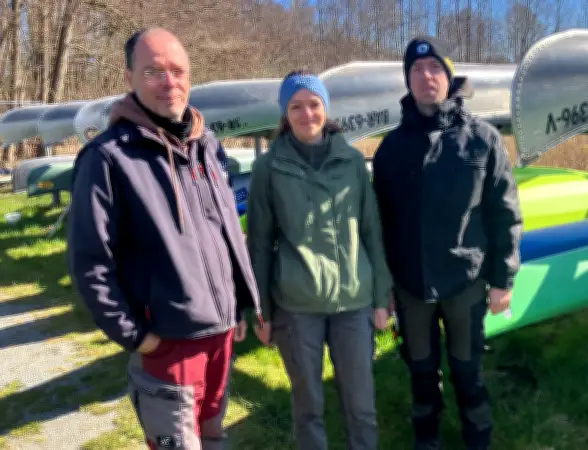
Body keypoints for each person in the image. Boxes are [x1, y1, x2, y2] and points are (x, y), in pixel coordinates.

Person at [66, 27, 265, 450]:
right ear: (129, 77)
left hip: (221, 335)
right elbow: (90, 262)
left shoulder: (207, 146)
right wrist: (135, 336)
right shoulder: (108, 158)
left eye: (178, 71)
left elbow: (226, 231)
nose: (169, 82)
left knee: (213, 437)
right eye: (154, 71)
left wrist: (238, 307)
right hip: (167, 344)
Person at [371, 36, 523, 450]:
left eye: (435, 68)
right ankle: (427, 436)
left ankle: (478, 436)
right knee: (421, 369)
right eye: (417, 70)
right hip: (411, 284)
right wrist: (383, 287)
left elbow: (505, 212)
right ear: (408, 80)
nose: (427, 76)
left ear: (449, 76)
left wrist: (503, 279)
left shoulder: (483, 139)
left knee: (467, 369)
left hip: (465, 281)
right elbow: (379, 223)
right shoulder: (391, 149)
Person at [246, 69, 394, 450]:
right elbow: (259, 244)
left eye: (314, 104)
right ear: (285, 113)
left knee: (361, 405)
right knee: (307, 406)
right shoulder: (268, 168)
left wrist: (381, 297)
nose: (306, 114)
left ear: (326, 108)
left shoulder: (352, 162)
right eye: (296, 106)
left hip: (354, 302)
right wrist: (261, 312)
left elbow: (372, 232)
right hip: (297, 307)